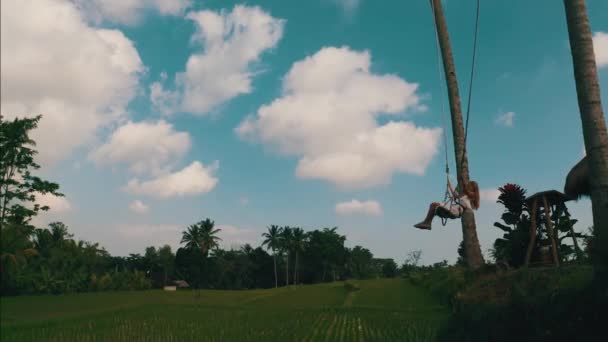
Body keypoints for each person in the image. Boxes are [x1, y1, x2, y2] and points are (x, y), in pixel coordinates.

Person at [413, 179, 480, 230]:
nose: (468, 187)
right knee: (433, 205)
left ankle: (427, 223)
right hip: (454, 209)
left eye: (469, 186)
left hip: (456, 210)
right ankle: (427, 223)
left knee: (435, 206)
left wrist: (463, 180)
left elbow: (466, 191)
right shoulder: (466, 195)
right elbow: (455, 195)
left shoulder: (473, 196)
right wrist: (450, 186)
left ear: (473, 188)